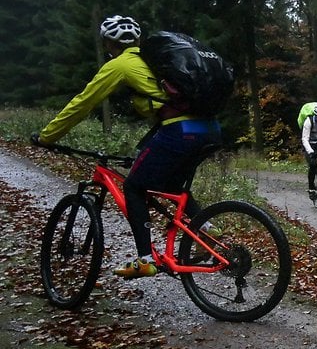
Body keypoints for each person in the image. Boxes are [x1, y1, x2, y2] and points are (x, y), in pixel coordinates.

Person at [34, 15, 222, 279]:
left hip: (180, 131)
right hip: (209, 128)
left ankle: (145, 259)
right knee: (172, 188)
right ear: (137, 40)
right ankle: (207, 228)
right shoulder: (158, 61)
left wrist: (47, 136)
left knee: (133, 186)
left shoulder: (121, 64)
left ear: (109, 43)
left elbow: (83, 103)